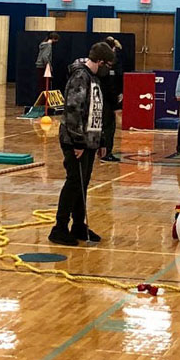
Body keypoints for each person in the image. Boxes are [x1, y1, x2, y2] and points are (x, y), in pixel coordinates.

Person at [50, 41, 115, 246]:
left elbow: (96, 111)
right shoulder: (80, 77)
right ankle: (59, 228)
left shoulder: (93, 78)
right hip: (75, 141)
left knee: (82, 184)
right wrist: (77, 142)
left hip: (89, 142)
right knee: (73, 184)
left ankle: (78, 226)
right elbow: (72, 110)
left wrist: (101, 140)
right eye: (108, 65)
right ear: (101, 61)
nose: (108, 70)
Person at [99, 36, 123, 163]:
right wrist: (116, 105)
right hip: (106, 102)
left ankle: (101, 151)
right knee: (108, 128)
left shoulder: (100, 63)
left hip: (101, 100)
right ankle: (106, 153)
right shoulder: (107, 68)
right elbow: (110, 87)